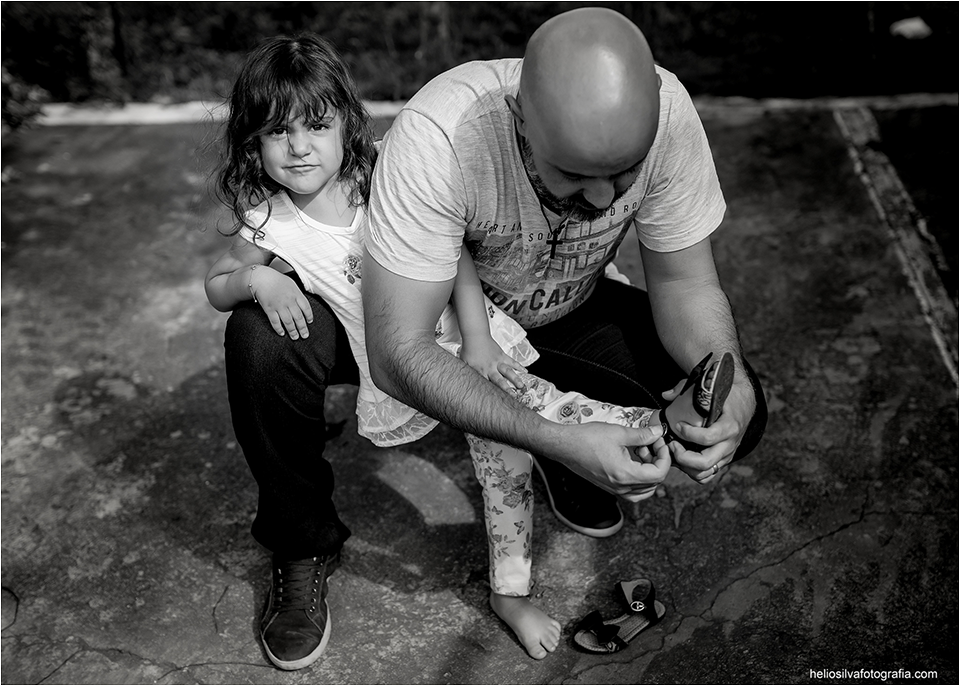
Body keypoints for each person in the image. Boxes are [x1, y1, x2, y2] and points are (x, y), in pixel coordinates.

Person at [205, 31, 689, 668]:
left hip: (469, 345)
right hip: (389, 362)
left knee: (531, 435)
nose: (298, 148)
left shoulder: (378, 175)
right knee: (253, 336)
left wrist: (482, 342)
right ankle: (493, 587)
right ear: (252, 141)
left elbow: (454, 253)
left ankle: (648, 443)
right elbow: (217, 285)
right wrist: (258, 279)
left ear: (346, 125)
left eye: (315, 126)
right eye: (277, 132)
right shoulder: (269, 221)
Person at [362, 0, 767, 645]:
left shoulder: (670, 113)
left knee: (737, 415)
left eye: (623, 174)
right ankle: (298, 544)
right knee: (265, 348)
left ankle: (574, 441)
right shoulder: (439, 136)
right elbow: (397, 353)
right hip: (446, 324)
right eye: (576, 174)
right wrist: (556, 439)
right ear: (520, 120)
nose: (605, 199)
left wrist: (726, 381)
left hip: (568, 312)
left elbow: (686, 280)